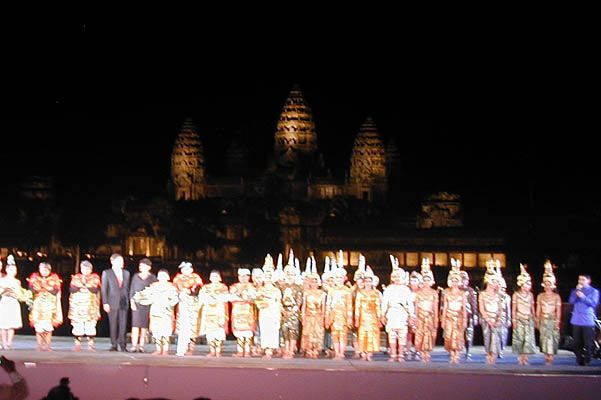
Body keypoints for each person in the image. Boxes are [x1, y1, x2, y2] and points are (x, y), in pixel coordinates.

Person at [134, 269, 178, 355]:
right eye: (160, 276)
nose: (162, 278)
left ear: (167, 277)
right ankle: (158, 349)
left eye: (164, 276)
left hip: (166, 312)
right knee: (156, 331)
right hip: (156, 311)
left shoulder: (171, 287)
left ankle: (165, 349)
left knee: (165, 331)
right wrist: (139, 297)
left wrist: (169, 303)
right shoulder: (153, 286)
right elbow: (145, 295)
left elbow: (175, 299)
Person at [381, 256, 414, 362]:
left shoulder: (406, 290)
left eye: (399, 276)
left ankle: (401, 355)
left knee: (402, 334)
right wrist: (382, 314)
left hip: (402, 313)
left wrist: (411, 315)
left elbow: (410, 304)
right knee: (392, 334)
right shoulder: (388, 289)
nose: (397, 278)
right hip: (391, 312)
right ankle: (393, 355)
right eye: (395, 276)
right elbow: (384, 302)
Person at [27, 262, 63, 351]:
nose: (44, 272)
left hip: (49, 305)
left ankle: (48, 346)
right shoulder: (34, 277)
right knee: (38, 326)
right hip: (38, 304)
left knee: (48, 326)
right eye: (43, 269)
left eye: (46, 270)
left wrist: (44, 287)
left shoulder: (54, 277)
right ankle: (39, 345)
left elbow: (55, 290)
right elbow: (32, 289)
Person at [68, 260, 101, 351]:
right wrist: (82, 286)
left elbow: (95, 289)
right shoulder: (76, 277)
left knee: (90, 325)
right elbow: (72, 288)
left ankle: (90, 345)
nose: (86, 270)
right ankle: (77, 344)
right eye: (84, 268)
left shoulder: (95, 277)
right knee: (77, 325)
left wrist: (83, 286)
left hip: (90, 306)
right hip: (78, 306)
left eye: (88, 269)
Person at [276, 250, 303, 359]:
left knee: (293, 330)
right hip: (283, 310)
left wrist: (294, 309)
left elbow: (299, 299)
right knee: (285, 330)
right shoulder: (281, 286)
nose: (290, 276)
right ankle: (286, 349)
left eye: (292, 274)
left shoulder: (297, 287)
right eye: (288, 274)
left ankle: (291, 349)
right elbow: (278, 297)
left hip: (293, 311)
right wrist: (281, 308)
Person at [101, 253, 131, 352]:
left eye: (122, 261)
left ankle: (123, 344)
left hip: (123, 301)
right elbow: (104, 289)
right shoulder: (107, 273)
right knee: (113, 323)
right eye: (119, 261)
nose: (122, 263)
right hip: (112, 301)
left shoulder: (126, 273)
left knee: (123, 324)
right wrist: (105, 302)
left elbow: (127, 288)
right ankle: (113, 344)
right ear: (112, 261)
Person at [441, 259, 468, 364]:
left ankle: (457, 355)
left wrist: (465, 319)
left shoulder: (462, 294)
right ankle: (451, 354)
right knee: (449, 335)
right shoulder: (447, 294)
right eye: (453, 281)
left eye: (456, 280)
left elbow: (464, 308)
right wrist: (443, 320)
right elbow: (445, 307)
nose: (454, 283)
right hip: (449, 316)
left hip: (459, 317)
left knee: (458, 336)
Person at [569, 273, 600, 366]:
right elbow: (571, 301)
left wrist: (583, 297)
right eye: (579, 280)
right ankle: (578, 358)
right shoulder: (575, 290)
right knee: (576, 342)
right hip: (576, 320)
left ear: (588, 281)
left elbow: (593, 303)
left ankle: (587, 359)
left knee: (588, 342)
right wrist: (576, 293)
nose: (581, 281)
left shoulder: (593, 291)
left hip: (587, 320)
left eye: (583, 280)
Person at [173, 261, 203, 356]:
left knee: (192, 326)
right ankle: (181, 348)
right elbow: (173, 289)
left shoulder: (196, 278)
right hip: (182, 303)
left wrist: (190, 291)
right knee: (183, 325)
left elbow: (199, 289)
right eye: (183, 269)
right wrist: (180, 293)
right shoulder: (177, 278)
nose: (185, 271)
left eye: (187, 269)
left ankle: (191, 347)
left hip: (193, 304)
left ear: (191, 269)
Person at [0, 257, 30, 350]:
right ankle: (4, 343)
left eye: (15, 269)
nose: (13, 271)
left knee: (12, 324)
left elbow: (19, 293)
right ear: (7, 270)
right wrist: (6, 292)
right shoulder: (2, 280)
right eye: (11, 269)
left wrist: (17, 295)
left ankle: (9, 343)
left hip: (13, 302)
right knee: (4, 325)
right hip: (5, 301)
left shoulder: (17, 281)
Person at [255, 255, 282, 359]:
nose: (268, 278)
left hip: (273, 312)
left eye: (270, 276)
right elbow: (257, 301)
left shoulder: (276, 290)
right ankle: (266, 349)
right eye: (266, 276)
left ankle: (271, 349)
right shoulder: (260, 289)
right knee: (265, 329)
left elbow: (278, 302)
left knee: (273, 330)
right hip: (264, 311)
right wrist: (262, 304)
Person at [325, 261, 353, 360]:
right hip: (334, 315)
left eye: (340, 277)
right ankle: (337, 353)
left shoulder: (347, 290)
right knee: (334, 334)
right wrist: (327, 317)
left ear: (344, 279)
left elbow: (349, 305)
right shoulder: (331, 290)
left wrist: (349, 318)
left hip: (343, 315)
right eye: (337, 277)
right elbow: (328, 304)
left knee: (342, 334)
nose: (339, 279)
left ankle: (342, 353)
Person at [129, 258, 157, 353]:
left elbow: (155, 291)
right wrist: (132, 302)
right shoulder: (136, 276)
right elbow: (132, 290)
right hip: (136, 303)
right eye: (140, 265)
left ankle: (141, 346)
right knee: (135, 325)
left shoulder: (152, 277)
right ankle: (134, 345)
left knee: (144, 326)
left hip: (147, 304)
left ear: (149, 267)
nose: (141, 267)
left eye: (143, 265)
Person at [536, 260, 562, 365]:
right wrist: (537, 320)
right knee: (544, 339)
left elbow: (558, 310)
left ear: (553, 285)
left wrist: (557, 321)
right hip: (543, 319)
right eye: (546, 284)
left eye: (549, 284)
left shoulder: (556, 297)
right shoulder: (540, 296)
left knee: (551, 339)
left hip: (552, 319)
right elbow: (538, 309)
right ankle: (546, 356)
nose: (548, 286)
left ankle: (551, 358)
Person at [355, 266, 382, 362]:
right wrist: (357, 318)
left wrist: (379, 318)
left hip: (373, 317)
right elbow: (357, 306)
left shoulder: (376, 293)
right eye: (366, 281)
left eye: (369, 281)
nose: (368, 283)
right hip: (363, 317)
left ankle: (370, 353)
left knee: (372, 334)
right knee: (363, 334)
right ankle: (364, 352)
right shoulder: (360, 293)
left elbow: (378, 307)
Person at [413, 258, 439, 363]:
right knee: (420, 334)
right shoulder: (418, 293)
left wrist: (436, 318)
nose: (426, 282)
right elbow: (416, 306)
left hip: (430, 316)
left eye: (428, 280)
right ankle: (421, 352)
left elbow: (435, 306)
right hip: (420, 315)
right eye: (424, 280)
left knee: (429, 334)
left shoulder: (434, 293)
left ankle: (428, 353)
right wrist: (414, 317)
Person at [479, 260, 504, 365]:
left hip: (495, 320)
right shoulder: (482, 294)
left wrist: (498, 320)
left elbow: (501, 309)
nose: (495, 283)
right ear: (488, 281)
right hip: (486, 319)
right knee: (487, 337)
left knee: (495, 338)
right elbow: (481, 309)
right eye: (493, 281)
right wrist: (488, 320)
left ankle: (493, 356)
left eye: (496, 282)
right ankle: (488, 355)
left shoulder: (498, 295)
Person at [199, 270, 229, 357]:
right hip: (209, 311)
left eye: (216, 276)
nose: (214, 278)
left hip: (219, 311)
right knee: (210, 332)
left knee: (219, 331)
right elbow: (201, 298)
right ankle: (212, 350)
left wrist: (215, 297)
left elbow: (225, 297)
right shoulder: (205, 287)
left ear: (219, 278)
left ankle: (218, 350)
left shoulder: (223, 287)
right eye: (212, 276)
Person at [229, 267, 257, 357]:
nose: (243, 278)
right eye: (241, 276)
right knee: (239, 332)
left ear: (249, 277)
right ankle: (240, 351)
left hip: (248, 312)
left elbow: (253, 298)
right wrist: (242, 299)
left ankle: (247, 351)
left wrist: (244, 299)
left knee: (248, 332)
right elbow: (231, 298)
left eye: (245, 276)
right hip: (237, 312)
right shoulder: (234, 287)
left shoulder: (252, 286)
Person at [300, 260, 326, 359]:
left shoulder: (322, 293)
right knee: (307, 332)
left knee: (317, 332)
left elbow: (323, 306)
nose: (314, 283)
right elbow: (304, 305)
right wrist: (303, 316)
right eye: (312, 281)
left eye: (316, 281)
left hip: (318, 315)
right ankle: (308, 349)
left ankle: (316, 349)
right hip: (308, 315)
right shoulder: (306, 292)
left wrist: (323, 317)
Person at [512, 264, 536, 365]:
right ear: (521, 284)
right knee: (519, 338)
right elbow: (514, 309)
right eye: (526, 284)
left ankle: (526, 358)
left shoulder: (530, 295)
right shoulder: (516, 295)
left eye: (529, 284)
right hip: (519, 318)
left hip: (528, 319)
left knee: (528, 339)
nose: (528, 286)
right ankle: (520, 357)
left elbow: (532, 308)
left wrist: (534, 318)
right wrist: (513, 320)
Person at [459, 269, 478, 360]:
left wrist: (475, 315)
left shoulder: (471, 291)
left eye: (465, 279)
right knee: (457, 334)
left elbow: (474, 303)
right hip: (458, 315)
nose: (463, 281)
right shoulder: (456, 290)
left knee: (469, 334)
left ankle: (468, 352)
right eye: (462, 279)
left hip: (468, 315)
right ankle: (457, 351)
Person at [406, 270, 422, 360]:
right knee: (408, 334)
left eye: (415, 281)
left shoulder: (420, 292)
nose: (413, 283)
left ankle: (417, 351)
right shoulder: (407, 291)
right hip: (408, 315)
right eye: (411, 281)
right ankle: (408, 351)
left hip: (419, 315)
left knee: (418, 334)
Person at [497, 264, 511, 358]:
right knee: (495, 336)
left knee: (503, 335)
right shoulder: (493, 296)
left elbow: (508, 308)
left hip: (503, 317)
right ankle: (496, 351)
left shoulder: (506, 297)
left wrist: (508, 319)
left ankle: (501, 349)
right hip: (494, 317)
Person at [250, 267, 265, 356]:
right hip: (251, 312)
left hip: (263, 312)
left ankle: (261, 347)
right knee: (253, 329)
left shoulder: (266, 288)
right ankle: (253, 347)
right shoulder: (250, 287)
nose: (257, 279)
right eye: (255, 277)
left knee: (262, 329)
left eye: (259, 277)